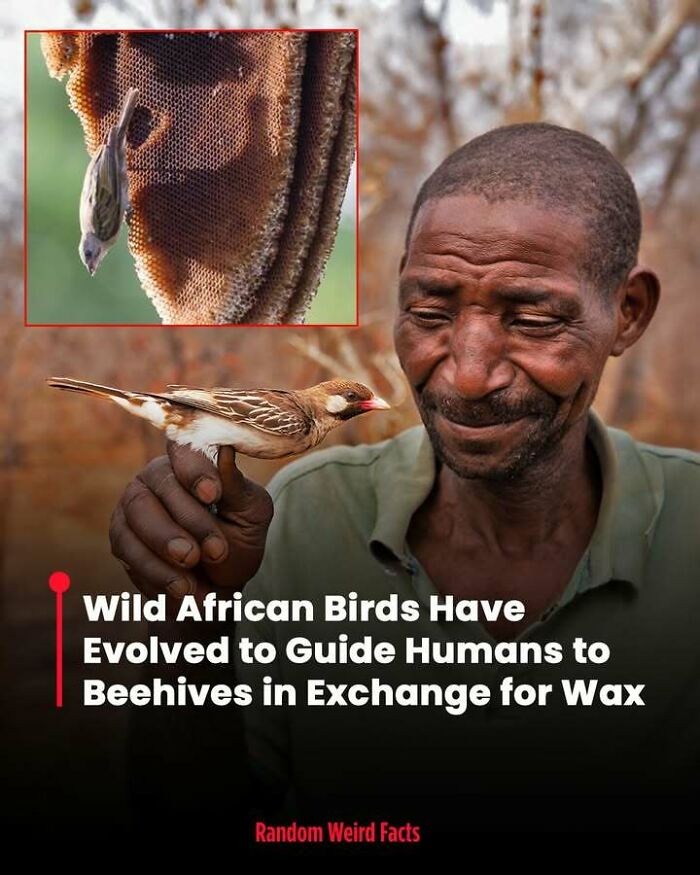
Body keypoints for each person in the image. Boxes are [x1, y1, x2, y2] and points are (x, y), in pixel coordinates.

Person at [114, 123, 700, 838]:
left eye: (535, 317)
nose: (468, 373)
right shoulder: (303, 518)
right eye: (429, 313)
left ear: (628, 313)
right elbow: (193, 817)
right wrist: (190, 627)